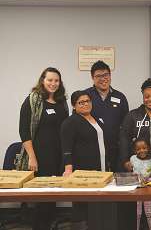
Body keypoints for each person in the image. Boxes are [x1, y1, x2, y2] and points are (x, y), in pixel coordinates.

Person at [18, 67, 68, 230]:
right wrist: (32, 157)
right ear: (42, 81)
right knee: (44, 198)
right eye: (50, 80)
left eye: (56, 80)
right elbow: (24, 130)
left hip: (57, 155)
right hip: (40, 156)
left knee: (53, 198)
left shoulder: (62, 101)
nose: (53, 84)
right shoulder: (33, 100)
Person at [61, 90, 108, 230]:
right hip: (81, 170)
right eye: (81, 102)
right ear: (74, 106)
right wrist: (68, 169)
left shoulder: (96, 118)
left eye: (88, 101)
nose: (86, 104)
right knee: (80, 203)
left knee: (94, 203)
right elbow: (66, 147)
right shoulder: (70, 122)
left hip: (100, 168)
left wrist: (107, 165)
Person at [85, 60, 129, 172]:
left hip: (114, 148)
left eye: (106, 75)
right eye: (98, 76)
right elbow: (78, 122)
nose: (103, 79)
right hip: (92, 149)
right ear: (92, 78)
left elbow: (126, 126)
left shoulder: (120, 97)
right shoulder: (86, 96)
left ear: (110, 75)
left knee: (114, 181)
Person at [119, 78, 151, 174]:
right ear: (143, 98)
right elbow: (124, 137)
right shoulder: (132, 115)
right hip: (136, 166)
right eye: (146, 97)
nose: (150, 99)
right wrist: (125, 159)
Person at [131, 137, 151, 230]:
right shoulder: (132, 159)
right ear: (134, 151)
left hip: (148, 190)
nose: (142, 151)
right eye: (138, 149)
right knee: (137, 214)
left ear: (148, 148)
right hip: (136, 190)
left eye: (144, 148)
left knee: (149, 213)